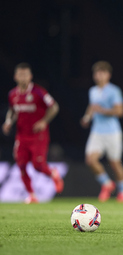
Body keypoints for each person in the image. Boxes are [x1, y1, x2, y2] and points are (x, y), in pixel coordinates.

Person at [2, 62, 63, 204]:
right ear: (15, 76)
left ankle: (53, 173)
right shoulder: (13, 94)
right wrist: (8, 122)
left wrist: (44, 121)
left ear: (30, 76)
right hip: (21, 136)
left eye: (25, 74)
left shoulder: (38, 92)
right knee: (21, 165)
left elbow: (54, 107)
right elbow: (12, 111)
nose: (23, 77)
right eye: (20, 74)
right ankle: (32, 195)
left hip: (38, 135)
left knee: (37, 166)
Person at [80, 61, 123, 203]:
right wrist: (87, 117)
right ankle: (107, 184)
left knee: (114, 163)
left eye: (102, 73)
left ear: (108, 75)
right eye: (97, 73)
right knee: (90, 160)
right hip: (97, 132)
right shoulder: (93, 91)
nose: (99, 76)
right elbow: (92, 106)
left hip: (112, 132)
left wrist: (102, 110)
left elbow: (120, 111)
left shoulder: (114, 90)